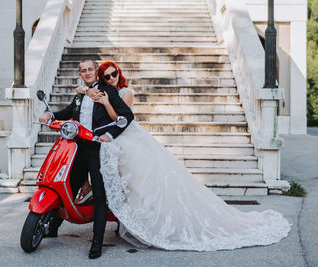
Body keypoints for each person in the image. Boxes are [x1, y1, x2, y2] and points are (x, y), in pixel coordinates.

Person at [80, 61, 291, 251]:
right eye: (106, 76)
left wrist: (104, 101)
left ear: (119, 73)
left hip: (128, 138)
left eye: (113, 74)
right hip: (112, 142)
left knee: (142, 182)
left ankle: (155, 223)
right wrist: (83, 90)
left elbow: (121, 119)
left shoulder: (123, 92)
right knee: (128, 185)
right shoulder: (100, 92)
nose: (111, 78)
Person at [39, 59, 134, 259]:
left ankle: (97, 243)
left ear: (96, 72)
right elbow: (68, 113)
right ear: (81, 74)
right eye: (84, 70)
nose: (88, 72)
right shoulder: (81, 94)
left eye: (91, 69)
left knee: (99, 195)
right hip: (77, 147)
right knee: (69, 186)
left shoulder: (108, 92)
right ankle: (51, 226)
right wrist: (50, 115)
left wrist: (110, 134)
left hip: (97, 148)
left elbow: (126, 116)